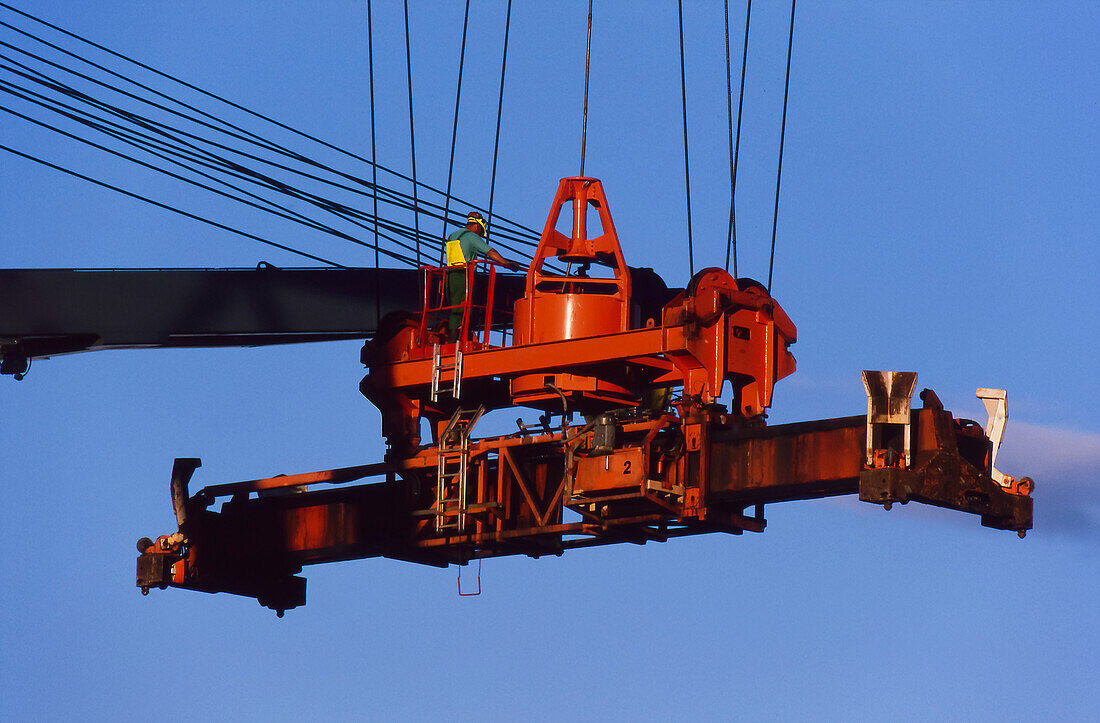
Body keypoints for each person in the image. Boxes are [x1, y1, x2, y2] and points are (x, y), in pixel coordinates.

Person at [443, 211, 522, 339]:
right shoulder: (472, 237)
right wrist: (506, 263)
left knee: (455, 311)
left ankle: (453, 339)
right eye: (481, 230)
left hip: (450, 277)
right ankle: (459, 340)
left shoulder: (453, 235)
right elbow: (491, 252)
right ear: (476, 226)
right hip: (464, 277)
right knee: (466, 309)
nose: (480, 234)